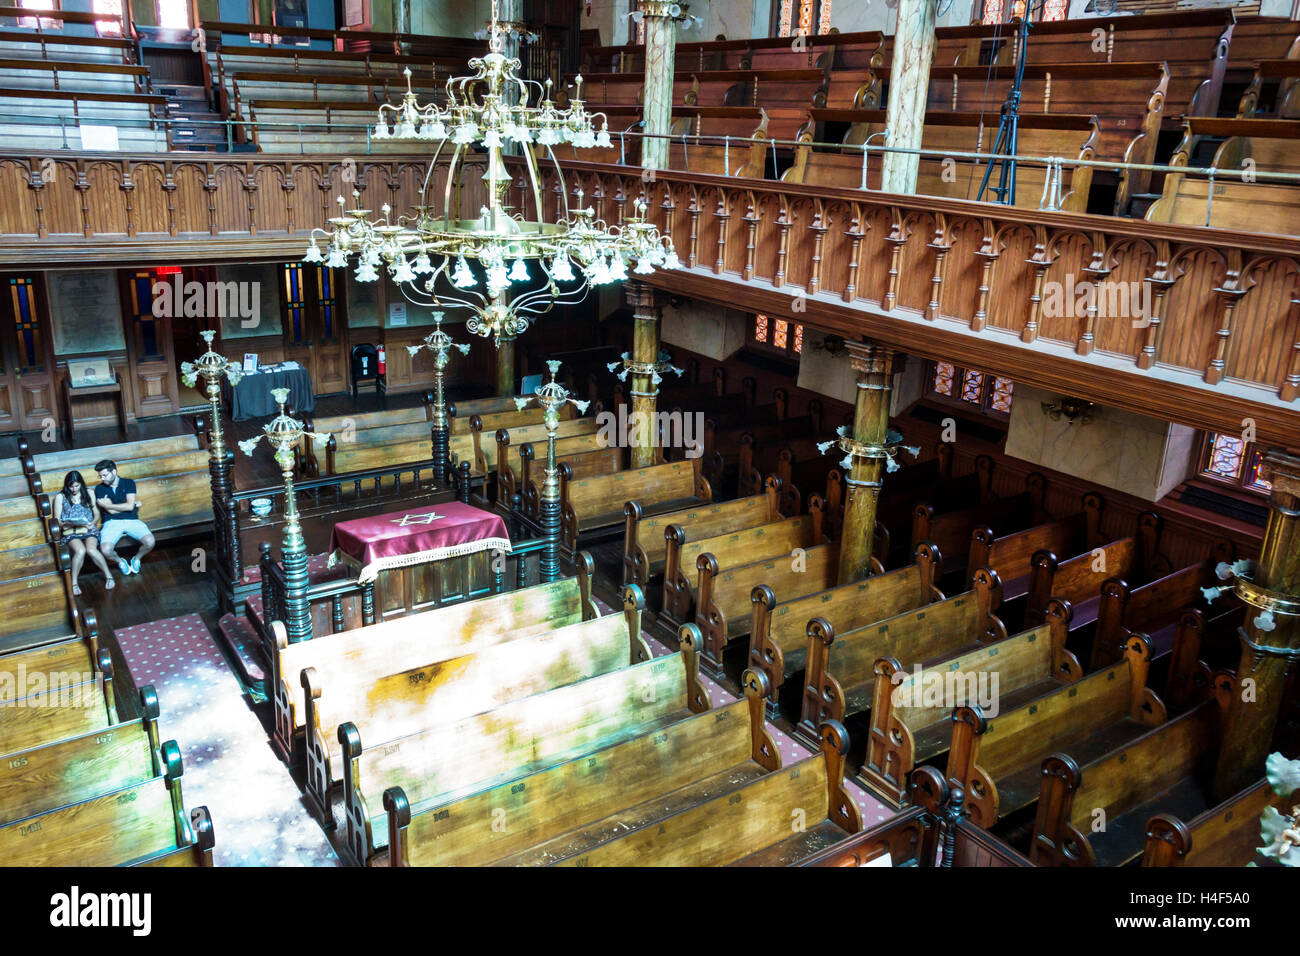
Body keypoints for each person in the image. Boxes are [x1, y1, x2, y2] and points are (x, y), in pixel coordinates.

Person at [53, 470, 114, 596]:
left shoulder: (89, 493)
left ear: (81, 484)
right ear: (67, 485)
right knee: (80, 551)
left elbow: (96, 514)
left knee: (91, 550)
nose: (74, 489)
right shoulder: (60, 497)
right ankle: (74, 583)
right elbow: (57, 520)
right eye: (71, 486)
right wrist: (65, 524)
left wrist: (92, 522)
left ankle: (109, 576)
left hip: (88, 528)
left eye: (77, 486)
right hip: (71, 530)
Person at [94, 459, 154, 578]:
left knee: (150, 541)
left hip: (132, 520)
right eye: (100, 476)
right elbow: (114, 511)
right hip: (111, 522)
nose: (102, 479)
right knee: (105, 550)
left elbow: (128, 506)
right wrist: (128, 506)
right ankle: (120, 562)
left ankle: (136, 559)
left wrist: (107, 505)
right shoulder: (99, 489)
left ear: (114, 472)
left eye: (105, 475)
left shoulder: (128, 483)